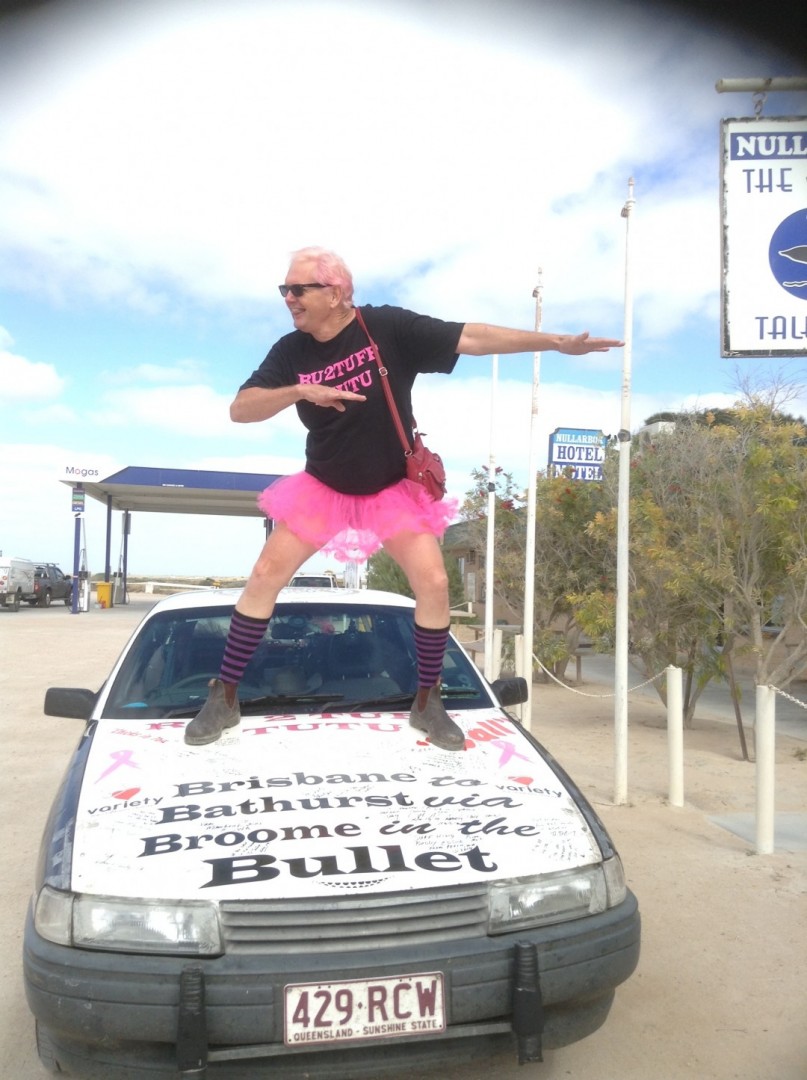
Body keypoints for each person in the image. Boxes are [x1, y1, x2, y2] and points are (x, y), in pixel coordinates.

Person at [184, 246, 623, 750]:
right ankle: (225, 696)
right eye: (285, 289)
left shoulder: (385, 328)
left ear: (336, 293)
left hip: (391, 489)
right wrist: (300, 391)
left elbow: (472, 336)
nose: (289, 298)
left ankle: (427, 702)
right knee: (264, 576)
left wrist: (555, 342)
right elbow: (241, 409)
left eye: (299, 288)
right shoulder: (291, 351)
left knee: (434, 583)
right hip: (323, 488)